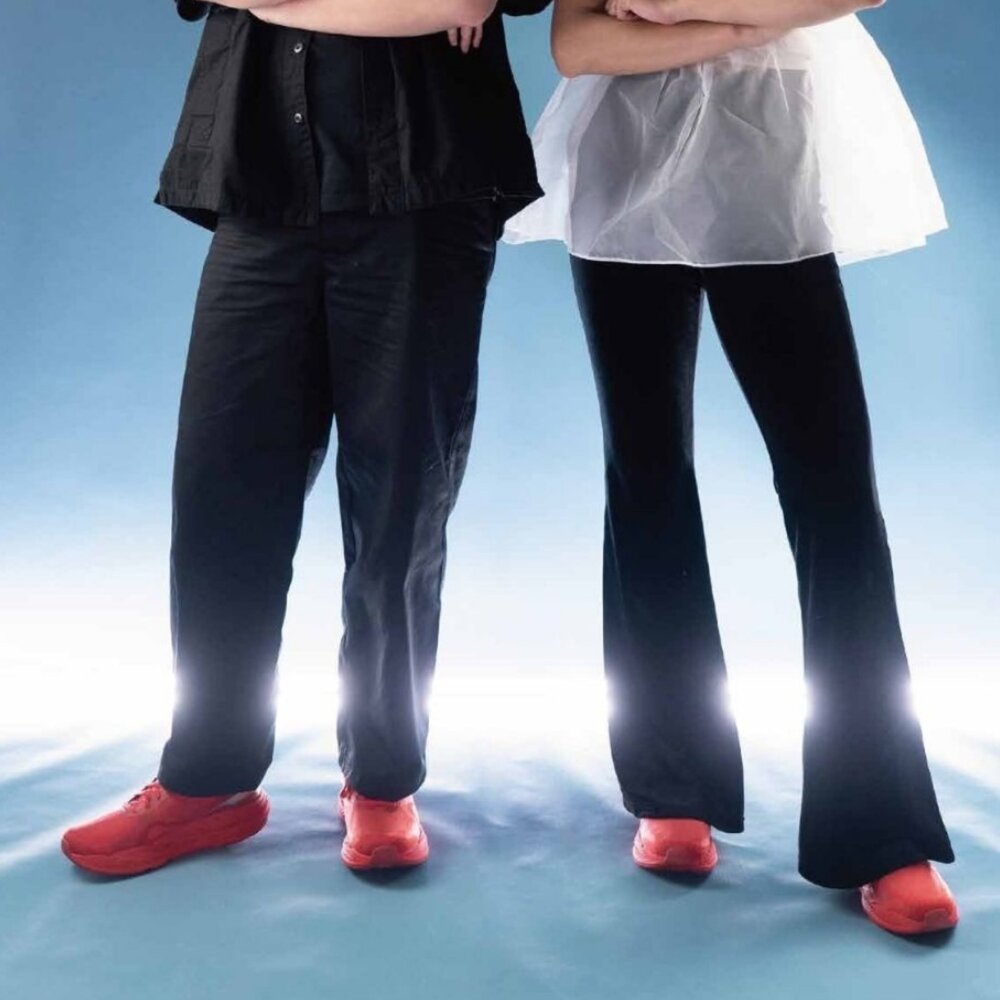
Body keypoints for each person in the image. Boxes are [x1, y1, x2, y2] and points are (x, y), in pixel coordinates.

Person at [61, 0, 551, 877]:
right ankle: (208, 782)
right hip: (262, 188)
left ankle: (383, 781)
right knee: (220, 500)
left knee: (400, 507)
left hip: (426, 189)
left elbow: (466, 2)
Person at [504, 0, 959, 935]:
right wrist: (749, 21)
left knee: (834, 495)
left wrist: (671, 12)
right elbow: (579, 43)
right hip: (624, 164)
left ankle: (881, 829)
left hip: (765, 155)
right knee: (647, 477)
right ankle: (674, 787)